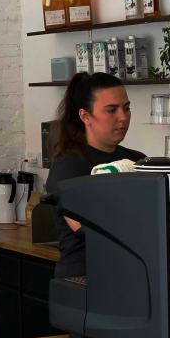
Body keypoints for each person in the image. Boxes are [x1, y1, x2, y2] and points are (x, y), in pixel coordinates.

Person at [44, 72, 144, 279]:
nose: (123, 117)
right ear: (85, 116)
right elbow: (85, 228)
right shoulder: (69, 166)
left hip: (130, 276)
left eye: (126, 108)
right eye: (111, 110)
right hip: (83, 280)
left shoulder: (137, 160)